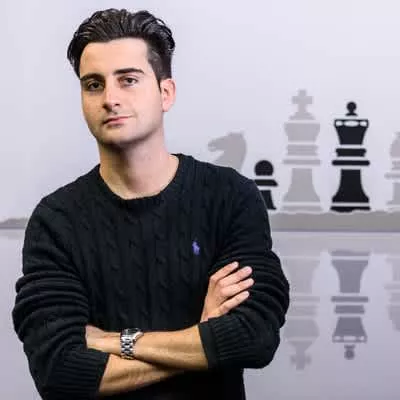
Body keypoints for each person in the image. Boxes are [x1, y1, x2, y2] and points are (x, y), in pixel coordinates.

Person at [12, 8, 290, 400]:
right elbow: (60, 373)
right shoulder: (55, 221)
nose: (110, 99)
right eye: (93, 85)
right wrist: (202, 337)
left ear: (165, 93)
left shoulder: (229, 197)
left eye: (128, 80)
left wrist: (114, 341)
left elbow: (253, 336)